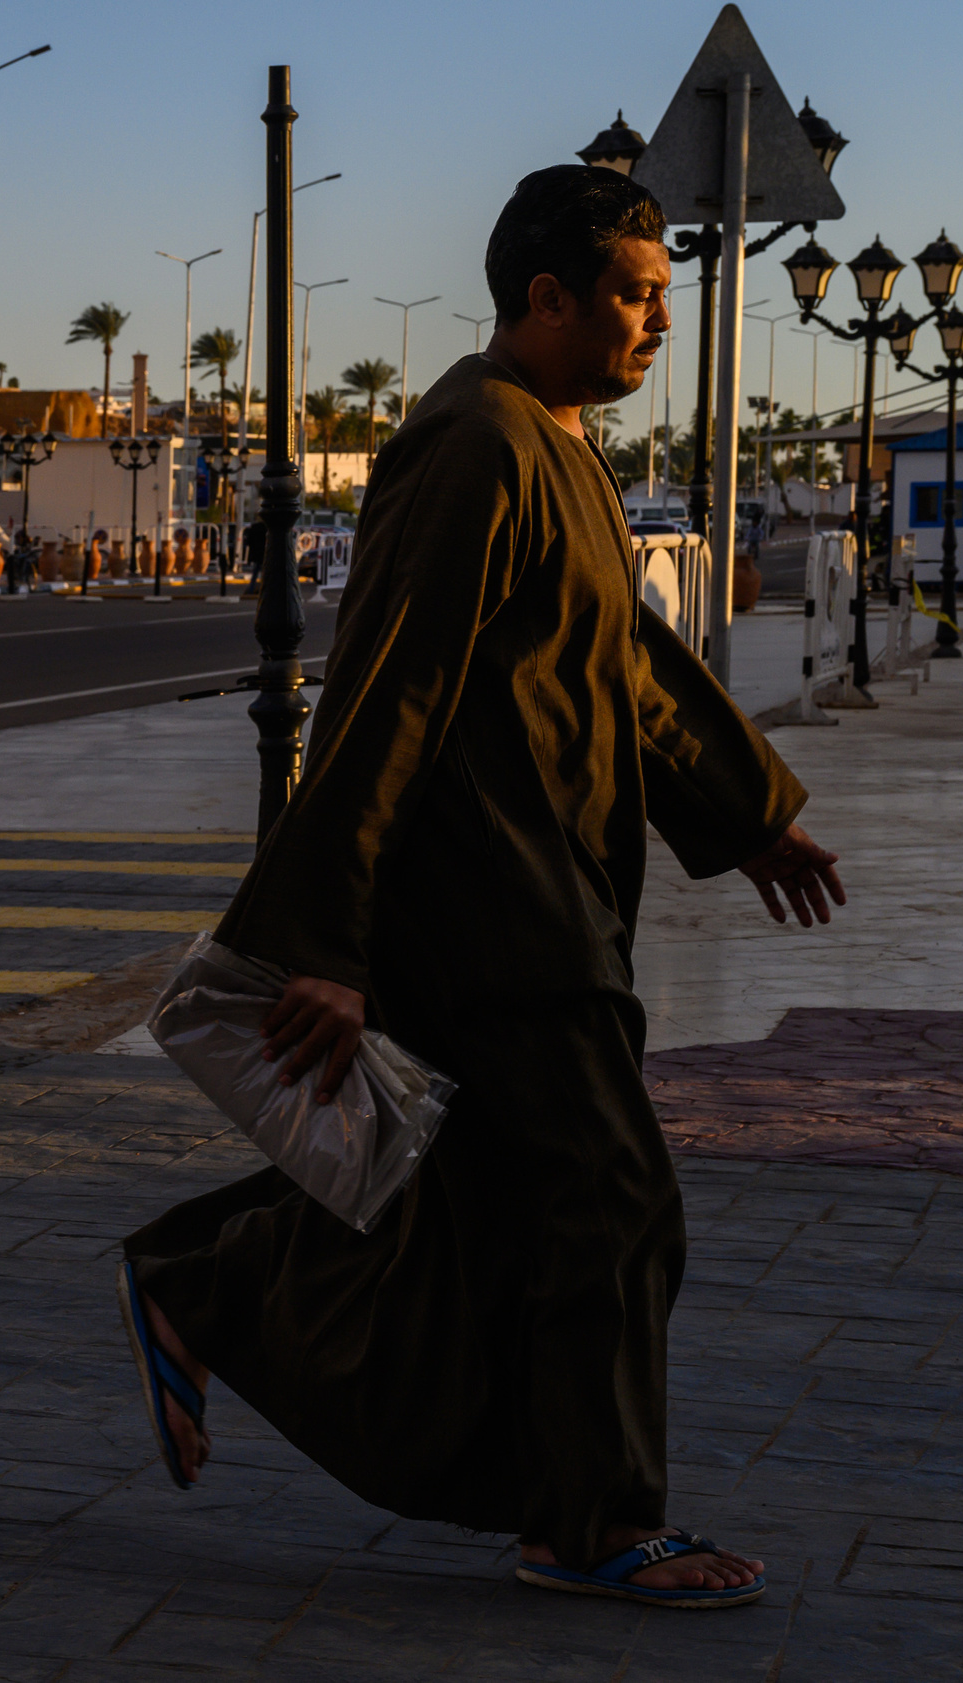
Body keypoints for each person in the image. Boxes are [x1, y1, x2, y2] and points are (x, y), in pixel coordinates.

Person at [118, 165, 846, 1611]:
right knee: (616, 1200)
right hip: (493, 906)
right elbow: (385, 690)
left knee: (487, 1208)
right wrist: (327, 941)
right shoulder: (471, 443)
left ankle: (209, 1281)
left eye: (663, 295)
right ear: (546, 298)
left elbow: (623, 668)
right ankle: (586, 1522)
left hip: (553, 891)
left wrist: (746, 812)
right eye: (634, 297)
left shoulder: (554, 443)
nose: (658, 323)